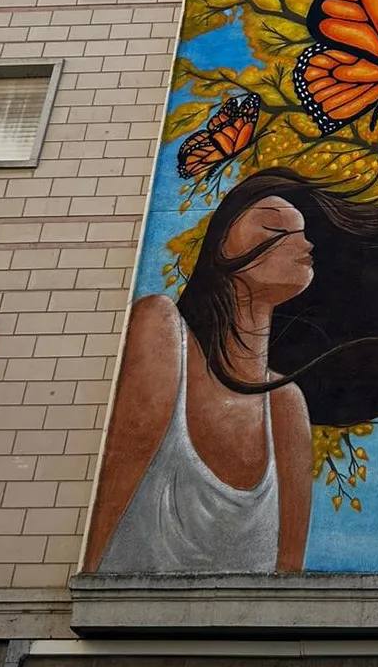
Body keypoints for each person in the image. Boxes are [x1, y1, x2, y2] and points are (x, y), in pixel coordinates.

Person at [84, 196, 314, 575]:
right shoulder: (161, 328)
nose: (305, 244)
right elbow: (102, 516)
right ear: (222, 244)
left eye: (302, 233)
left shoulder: (286, 405)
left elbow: (288, 579)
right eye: (274, 228)